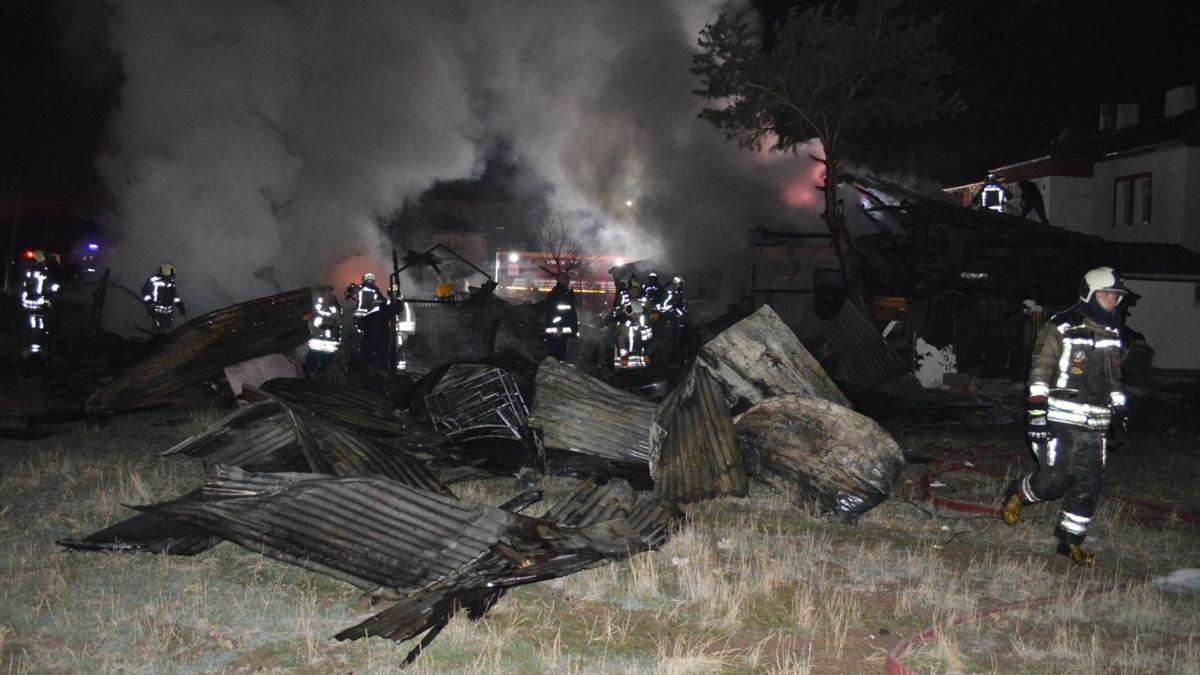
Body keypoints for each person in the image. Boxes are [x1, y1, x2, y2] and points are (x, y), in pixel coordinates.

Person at [1001, 267, 1129, 565]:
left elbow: (1114, 380)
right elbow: (1039, 372)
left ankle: (1070, 542)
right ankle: (1017, 492)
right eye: (1106, 295)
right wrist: (1037, 416)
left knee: (1088, 485)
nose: (1112, 301)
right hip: (1061, 419)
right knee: (1056, 480)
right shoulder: (1060, 327)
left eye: (1116, 296)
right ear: (1089, 294)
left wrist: (1120, 413)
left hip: (1096, 424)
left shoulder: (1112, 334)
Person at [20, 250, 60, 356]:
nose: (46, 262)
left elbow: (26, 288)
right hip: (37, 304)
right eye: (45, 260)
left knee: (34, 326)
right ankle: (36, 350)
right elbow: (46, 287)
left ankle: (33, 347)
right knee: (38, 327)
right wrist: (56, 288)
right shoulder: (40, 273)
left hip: (31, 304)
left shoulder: (30, 272)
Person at [305, 286, 342, 371]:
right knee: (311, 365)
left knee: (326, 367)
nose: (326, 298)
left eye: (329, 295)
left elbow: (337, 322)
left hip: (329, 345)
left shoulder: (336, 310)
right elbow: (312, 320)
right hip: (317, 343)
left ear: (333, 297)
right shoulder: (317, 308)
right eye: (325, 295)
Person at [543, 272, 578, 360]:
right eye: (566, 279)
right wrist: (558, 327)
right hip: (557, 330)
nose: (568, 281)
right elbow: (555, 312)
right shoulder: (558, 293)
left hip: (561, 330)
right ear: (560, 279)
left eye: (568, 279)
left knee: (558, 353)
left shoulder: (564, 293)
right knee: (556, 353)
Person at [142, 262, 186, 331]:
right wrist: (149, 302)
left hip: (168, 312)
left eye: (172, 277)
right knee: (157, 327)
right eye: (170, 276)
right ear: (165, 274)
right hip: (155, 310)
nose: (171, 278)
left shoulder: (171, 283)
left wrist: (180, 305)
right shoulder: (153, 281)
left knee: (168, 326)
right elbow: (145, 292)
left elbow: (174, 295)